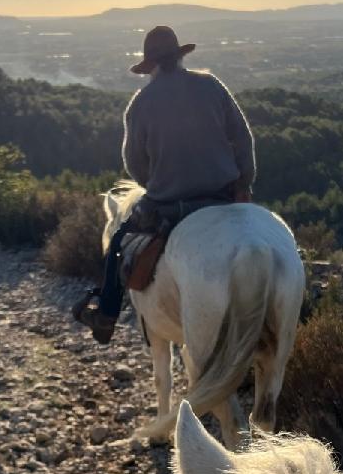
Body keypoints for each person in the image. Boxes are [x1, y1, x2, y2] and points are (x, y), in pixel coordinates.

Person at [74, 25, 256, 343]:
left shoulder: (141, 103)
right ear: (180, 57)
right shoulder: (212, 85)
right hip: (223, 197)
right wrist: (244, 181)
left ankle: (105, 317)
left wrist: (157, 184)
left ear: (150, 66)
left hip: (171, 205)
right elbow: (242, 138)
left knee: (118, 242)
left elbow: (134, 163)